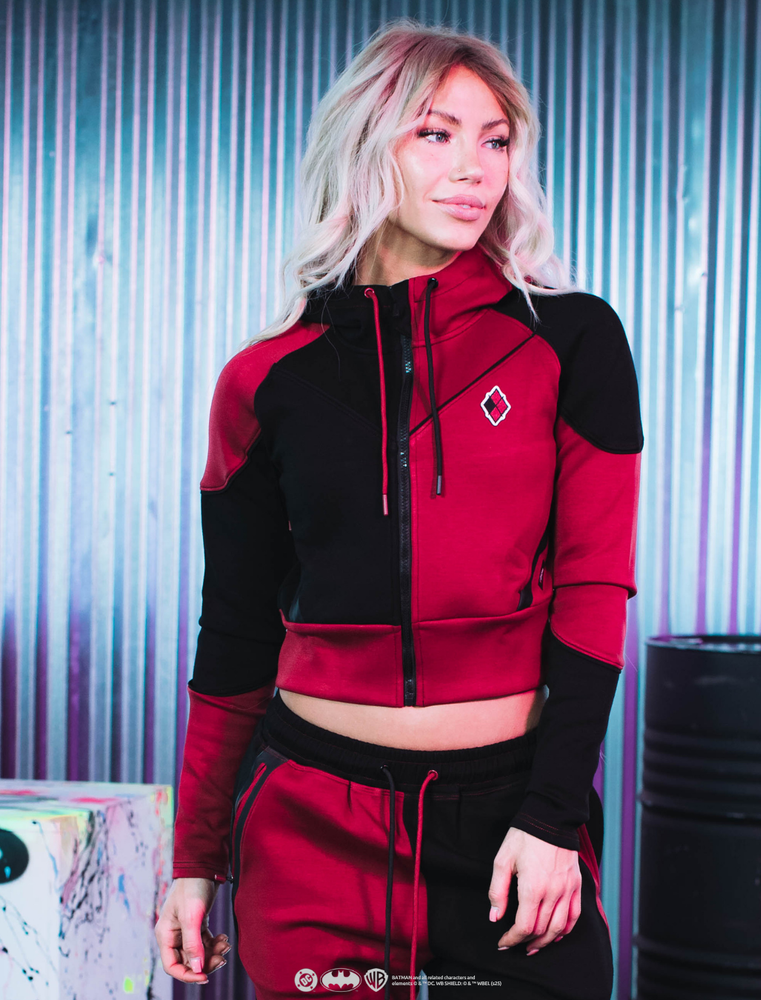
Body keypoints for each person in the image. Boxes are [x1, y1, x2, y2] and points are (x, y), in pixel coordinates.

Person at [155, 19, 642, 1000]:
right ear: (365, 145)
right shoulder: (265, 380)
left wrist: (552, 817)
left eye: (494, 139)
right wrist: (194, 859)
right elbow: (236, 632)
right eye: (435, 133)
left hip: (507, 819)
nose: (473, 168)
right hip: (312, 824)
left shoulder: (569, 342)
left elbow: (593, 591)